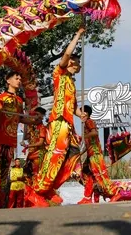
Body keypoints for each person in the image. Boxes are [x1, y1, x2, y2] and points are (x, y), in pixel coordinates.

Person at [33, 24, 86, 206]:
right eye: (77, 61)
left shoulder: (71, 84)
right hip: (59, 122)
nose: (79, 65)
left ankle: (50, 189)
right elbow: (65, 56)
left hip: (69, 125)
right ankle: (38, 190)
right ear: (71, 62)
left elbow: (74, 108)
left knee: (73, 158)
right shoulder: (60, 74)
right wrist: (78, 34)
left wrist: (81, 115)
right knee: (55, 156)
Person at [0, 72, 38, 209]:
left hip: (11, 140)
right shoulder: (0, 98)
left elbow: (20, 118)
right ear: (8, 80)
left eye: (20, 78)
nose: (19, 80)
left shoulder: (19, 100)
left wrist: (32, 120)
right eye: (16, 78)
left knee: (5, 170)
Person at [78, 105, 118, 204]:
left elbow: (94, 133)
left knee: (101, 176)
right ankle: (89, 197)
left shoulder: (89, 122)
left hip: (95, 154)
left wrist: (82, 137)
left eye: (81, 113)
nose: (80, 115)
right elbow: (88, 144)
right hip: (90, 154)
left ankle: (115, 193)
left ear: (86, 113)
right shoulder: (86, 124)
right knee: (87, 175)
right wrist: (80, 153)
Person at [23, 107, 48, 178]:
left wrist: (28, 146)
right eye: (35, 114)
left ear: (42, 116)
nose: (35, 116)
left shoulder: (42, 128)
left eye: (37, 114)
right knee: (28, 174)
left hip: (38, 154)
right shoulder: (32, 126)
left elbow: (41, 142)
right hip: (31, 153)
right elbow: (25, 137)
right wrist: (26, 124)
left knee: (36, 174)